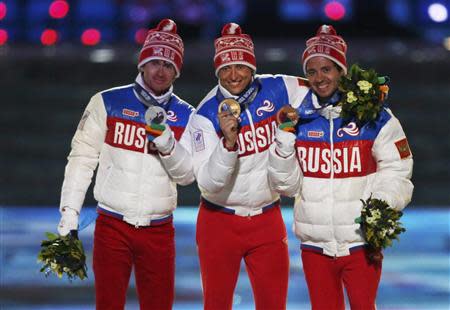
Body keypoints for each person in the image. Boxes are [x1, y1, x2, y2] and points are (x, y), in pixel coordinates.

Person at [268, 25, 414, 309]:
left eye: (326, 69)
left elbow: (399, 166)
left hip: (360, 243)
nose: (319, 78)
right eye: (311, 71)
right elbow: (285, 186)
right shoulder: (298, 119)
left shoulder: (374, 116)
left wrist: (379, 208)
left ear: (341, 70)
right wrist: (284, 138)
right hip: (315, 245)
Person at [56, 19, 195, 310]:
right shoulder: (107, 102)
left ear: (177, 73)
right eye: (155, 61)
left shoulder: (186, 115)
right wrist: (69, 217)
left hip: (159, 231)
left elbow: (187, 177)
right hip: (112, 227)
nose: (161, 71)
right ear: (142, 63)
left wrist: (166, 142)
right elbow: (81, 160)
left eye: (169, 65)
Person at [189, 23, 310, 310]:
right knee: (216, 305)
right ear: (217, 71)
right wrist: (228, 144)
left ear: (252, 67)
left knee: (274, 305)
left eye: (240, 66)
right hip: (219, 222)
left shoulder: (280, 86)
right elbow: (207, 184)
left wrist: (361, 99)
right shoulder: (204, 115)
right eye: (226, 68)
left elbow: (322, 93)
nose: (233, 75)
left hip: (267, 219)